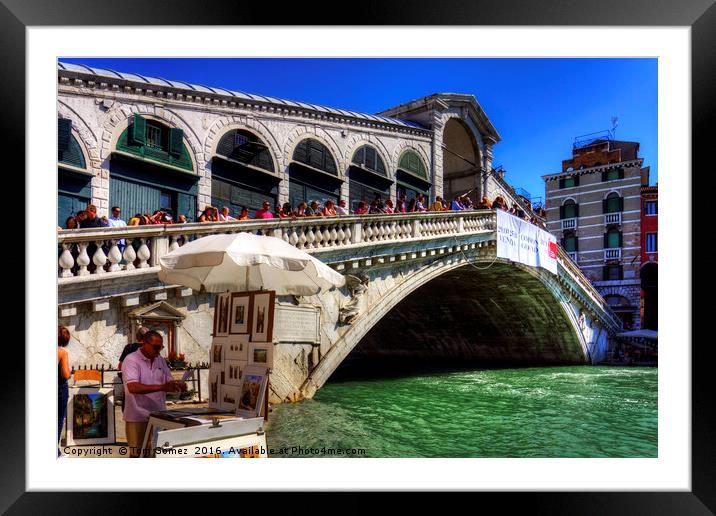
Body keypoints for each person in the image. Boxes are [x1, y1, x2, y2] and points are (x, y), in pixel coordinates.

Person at [121, 330, 186, 458]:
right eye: (156, 347)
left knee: (157, 455)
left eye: (161, 347)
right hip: (138, 416)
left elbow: (168, 381)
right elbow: (133, 387)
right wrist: (162, 387)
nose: (158, 351)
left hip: (159, 415)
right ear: (144, 343)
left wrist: (177, 385)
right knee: (137, 455)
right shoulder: (131, 360)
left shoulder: (160, 360)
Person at [57, 326, 72, 456]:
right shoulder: (61, 352)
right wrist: (70, 373)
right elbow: (65, 374)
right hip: (59, 388)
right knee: (58, 419)